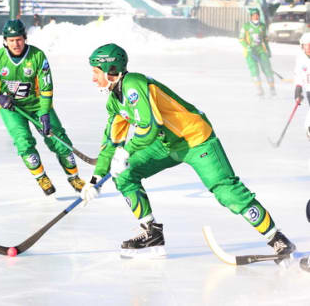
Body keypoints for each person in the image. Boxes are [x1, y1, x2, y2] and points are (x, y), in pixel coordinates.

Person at [80, 43, 296, 260]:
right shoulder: (114, 102)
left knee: (226, 192)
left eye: (96, 72)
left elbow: (148, 126)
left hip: (196, 139)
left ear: (111, 70)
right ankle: (151, 232)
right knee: (125, 176)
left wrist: (126, 152)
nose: (93, 78)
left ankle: (276, 238)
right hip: (166, 145)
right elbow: (110, 142)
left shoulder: (134, 84)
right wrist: (95, 179)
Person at [0, 19, 85, 196]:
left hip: (37, 104)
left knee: (58, 138)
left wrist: (44, 112)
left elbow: (46, 87)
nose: (15, 44)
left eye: (18, 39)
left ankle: (74, 178)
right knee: (23, 142)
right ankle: (41, 177)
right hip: (11, 109)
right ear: (5, 40)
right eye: (11, 40)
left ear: (25, 38)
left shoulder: (37, 56)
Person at [239, 8, 276, 97]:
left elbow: (265, 40)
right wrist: (247, 47)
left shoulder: (262, 26)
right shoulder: (246, 26)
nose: (256, 16)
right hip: (250, 51)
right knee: (254, 70)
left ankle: (272, 88)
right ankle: (259, 89)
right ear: (251, 16)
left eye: (257, 15)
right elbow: (241, 39)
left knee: (267, 69)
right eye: (254, 15)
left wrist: (268, 50)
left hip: (260, 50)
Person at [293, 32, 310, 141]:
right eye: (305, 45)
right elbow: (298, 76)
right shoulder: (301, 59)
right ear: (302, 46)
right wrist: (298, 91)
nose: (308, 48)